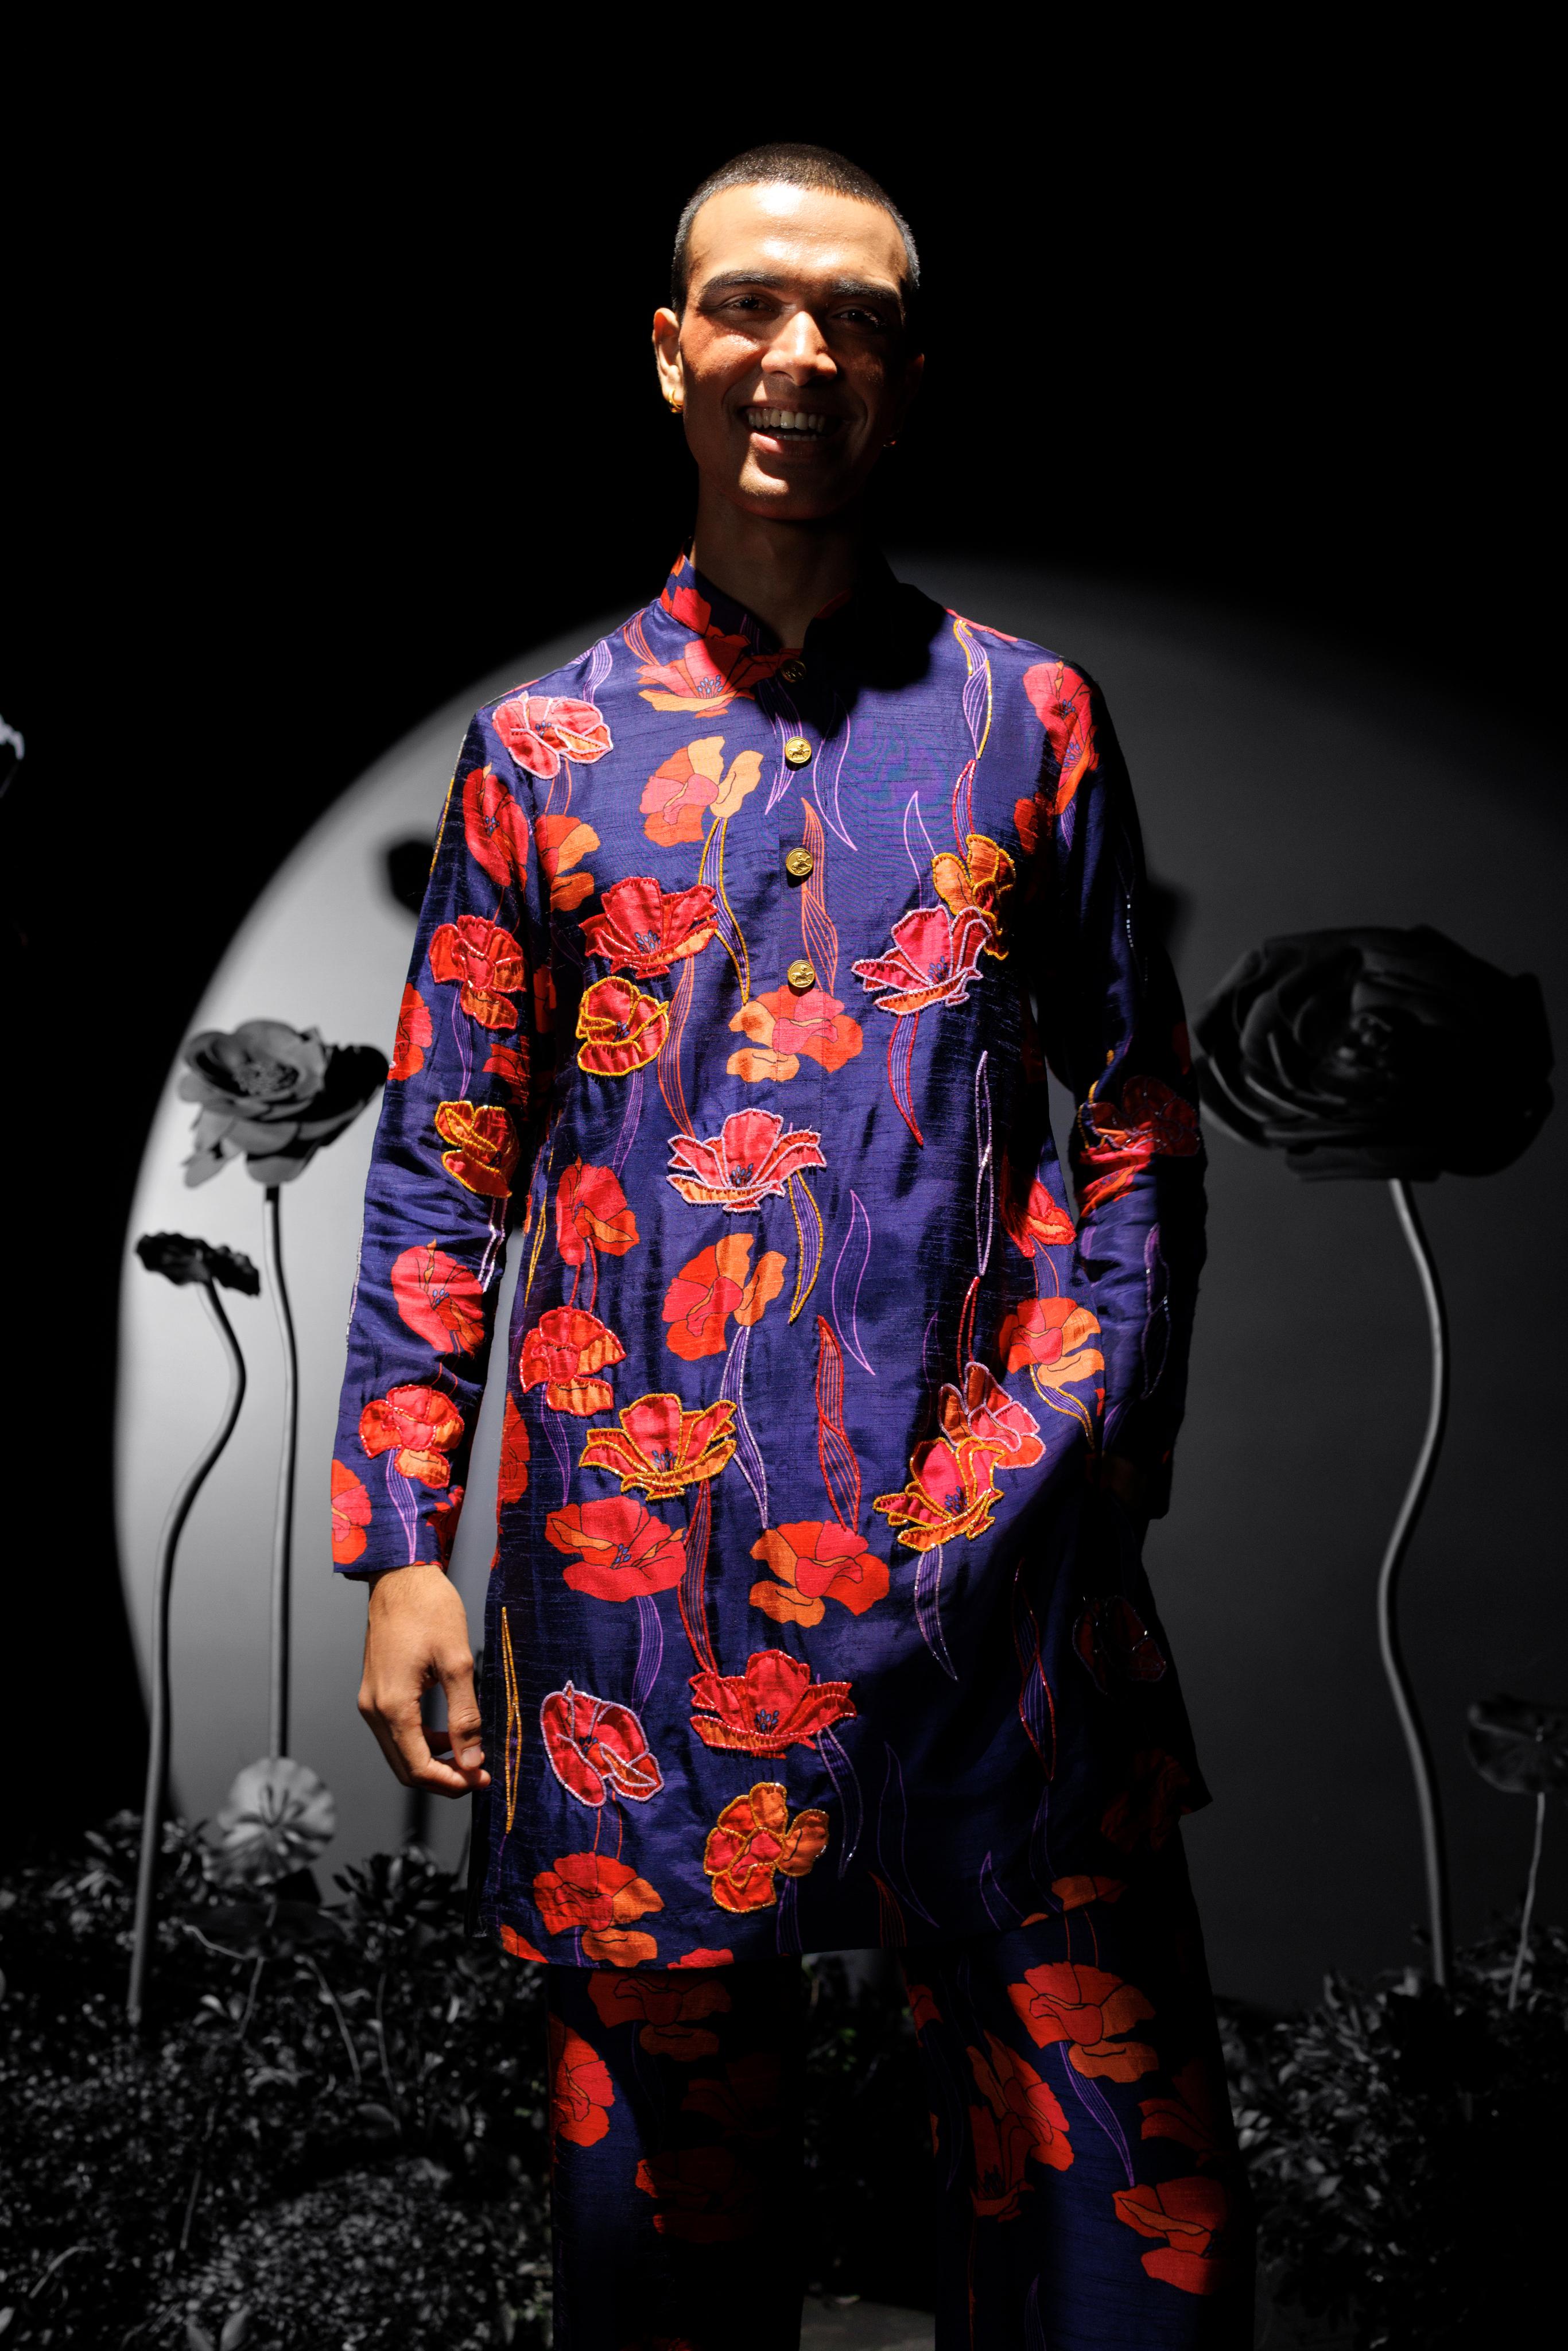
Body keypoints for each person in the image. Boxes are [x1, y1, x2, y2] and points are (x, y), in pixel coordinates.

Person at [334, 142, 1251, 2351]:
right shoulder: (543, 749)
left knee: (1125, 2213)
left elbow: (1135, 1113)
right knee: (666, 2222)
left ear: (907, 380)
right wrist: (402, 1548)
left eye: (853, 319)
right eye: (750, 305)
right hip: (640, 1571)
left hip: (991, 1550)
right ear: (670, 355)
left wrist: (1097, 1446)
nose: (798, 353)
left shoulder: (1029, 719)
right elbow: (449, 1158)